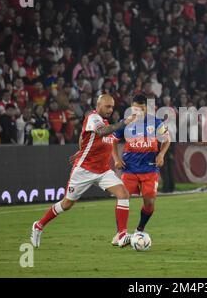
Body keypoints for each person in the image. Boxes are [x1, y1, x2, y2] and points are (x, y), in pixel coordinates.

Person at [30, 95, 137, 248]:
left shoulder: (105, 122)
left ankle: (121, 235)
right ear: (98, 105)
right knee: (67, 204)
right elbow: (101, 133)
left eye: (112, 107)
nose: (110, 110)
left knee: (123, 194)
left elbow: (84, 138)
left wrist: (81, 150)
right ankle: (38, 225)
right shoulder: (93, 117)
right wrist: (124, 122)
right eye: (107, 106)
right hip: (84, 170)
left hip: (103, 171)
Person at [112, 94, 170, 237]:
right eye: (136, 109)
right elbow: (112, 141)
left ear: (147, 108)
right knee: (122, 197)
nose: (139, 112)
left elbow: (167, 139)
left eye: (142, 109)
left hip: (150, 168)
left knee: (149, 202)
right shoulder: (125, 123)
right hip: (129, 168)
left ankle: (139, 229)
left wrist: (161, 154)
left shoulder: (155, 123)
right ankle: (120, 234)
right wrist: (116, 159)